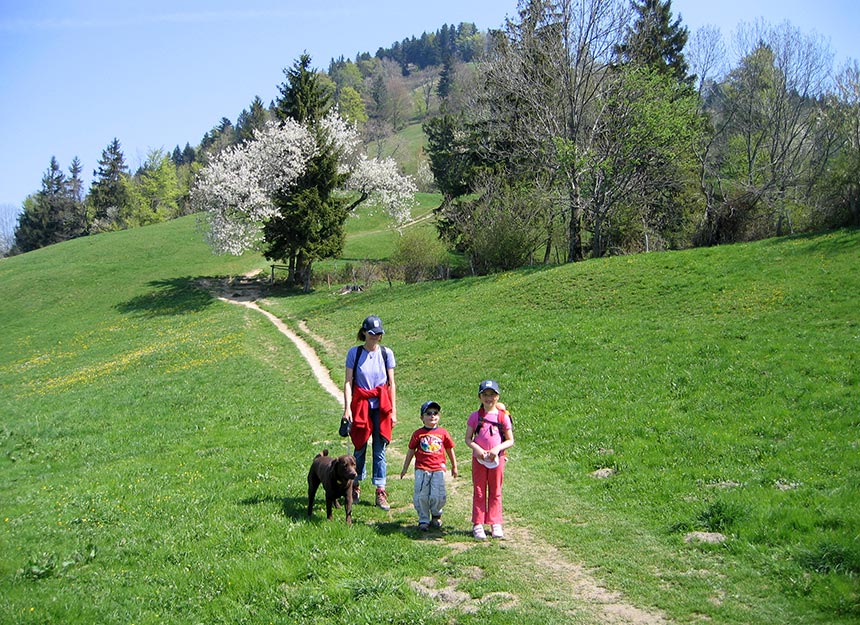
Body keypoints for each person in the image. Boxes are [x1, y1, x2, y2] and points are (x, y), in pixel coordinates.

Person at [343, 315, 397, 510]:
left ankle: (380, 490)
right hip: (361, 405)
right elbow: (349, 382)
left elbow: (391, 384)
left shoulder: (386, 353)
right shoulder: (354, 353)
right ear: (364, 332)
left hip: (381, 406)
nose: (376, 337)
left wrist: (393, 411)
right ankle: (355, 485)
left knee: (380, 449)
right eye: (372, 334)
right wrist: (347, 408)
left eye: (379, 334)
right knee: (359, 447)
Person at [465, 380, 514, 540]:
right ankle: (478, 523)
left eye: (492, 395)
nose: (488, 398)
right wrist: (478, 450)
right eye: (485, 395)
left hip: (497, 460)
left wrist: (496, 449)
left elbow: (510, 440)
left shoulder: (502, 417)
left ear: (497, 396)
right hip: (478, 460)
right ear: (480, 397)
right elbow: (468, 439)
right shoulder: (475, 416)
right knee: (479, 491)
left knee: (496, 491)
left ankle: (495, 523)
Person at [400, 401, 458, 531]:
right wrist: (405, 468)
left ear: (439, 416)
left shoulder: (443, 433)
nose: (432, 416)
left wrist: (454, 466)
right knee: (422, 494)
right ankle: (423, 519)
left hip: (438, 468)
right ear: (422, 417)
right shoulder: (418, 434)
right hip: (422, 469)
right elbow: (410, 451)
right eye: (428, 413)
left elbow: (449, 449)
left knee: (438, 494)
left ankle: (436, 514)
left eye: (435, 413)